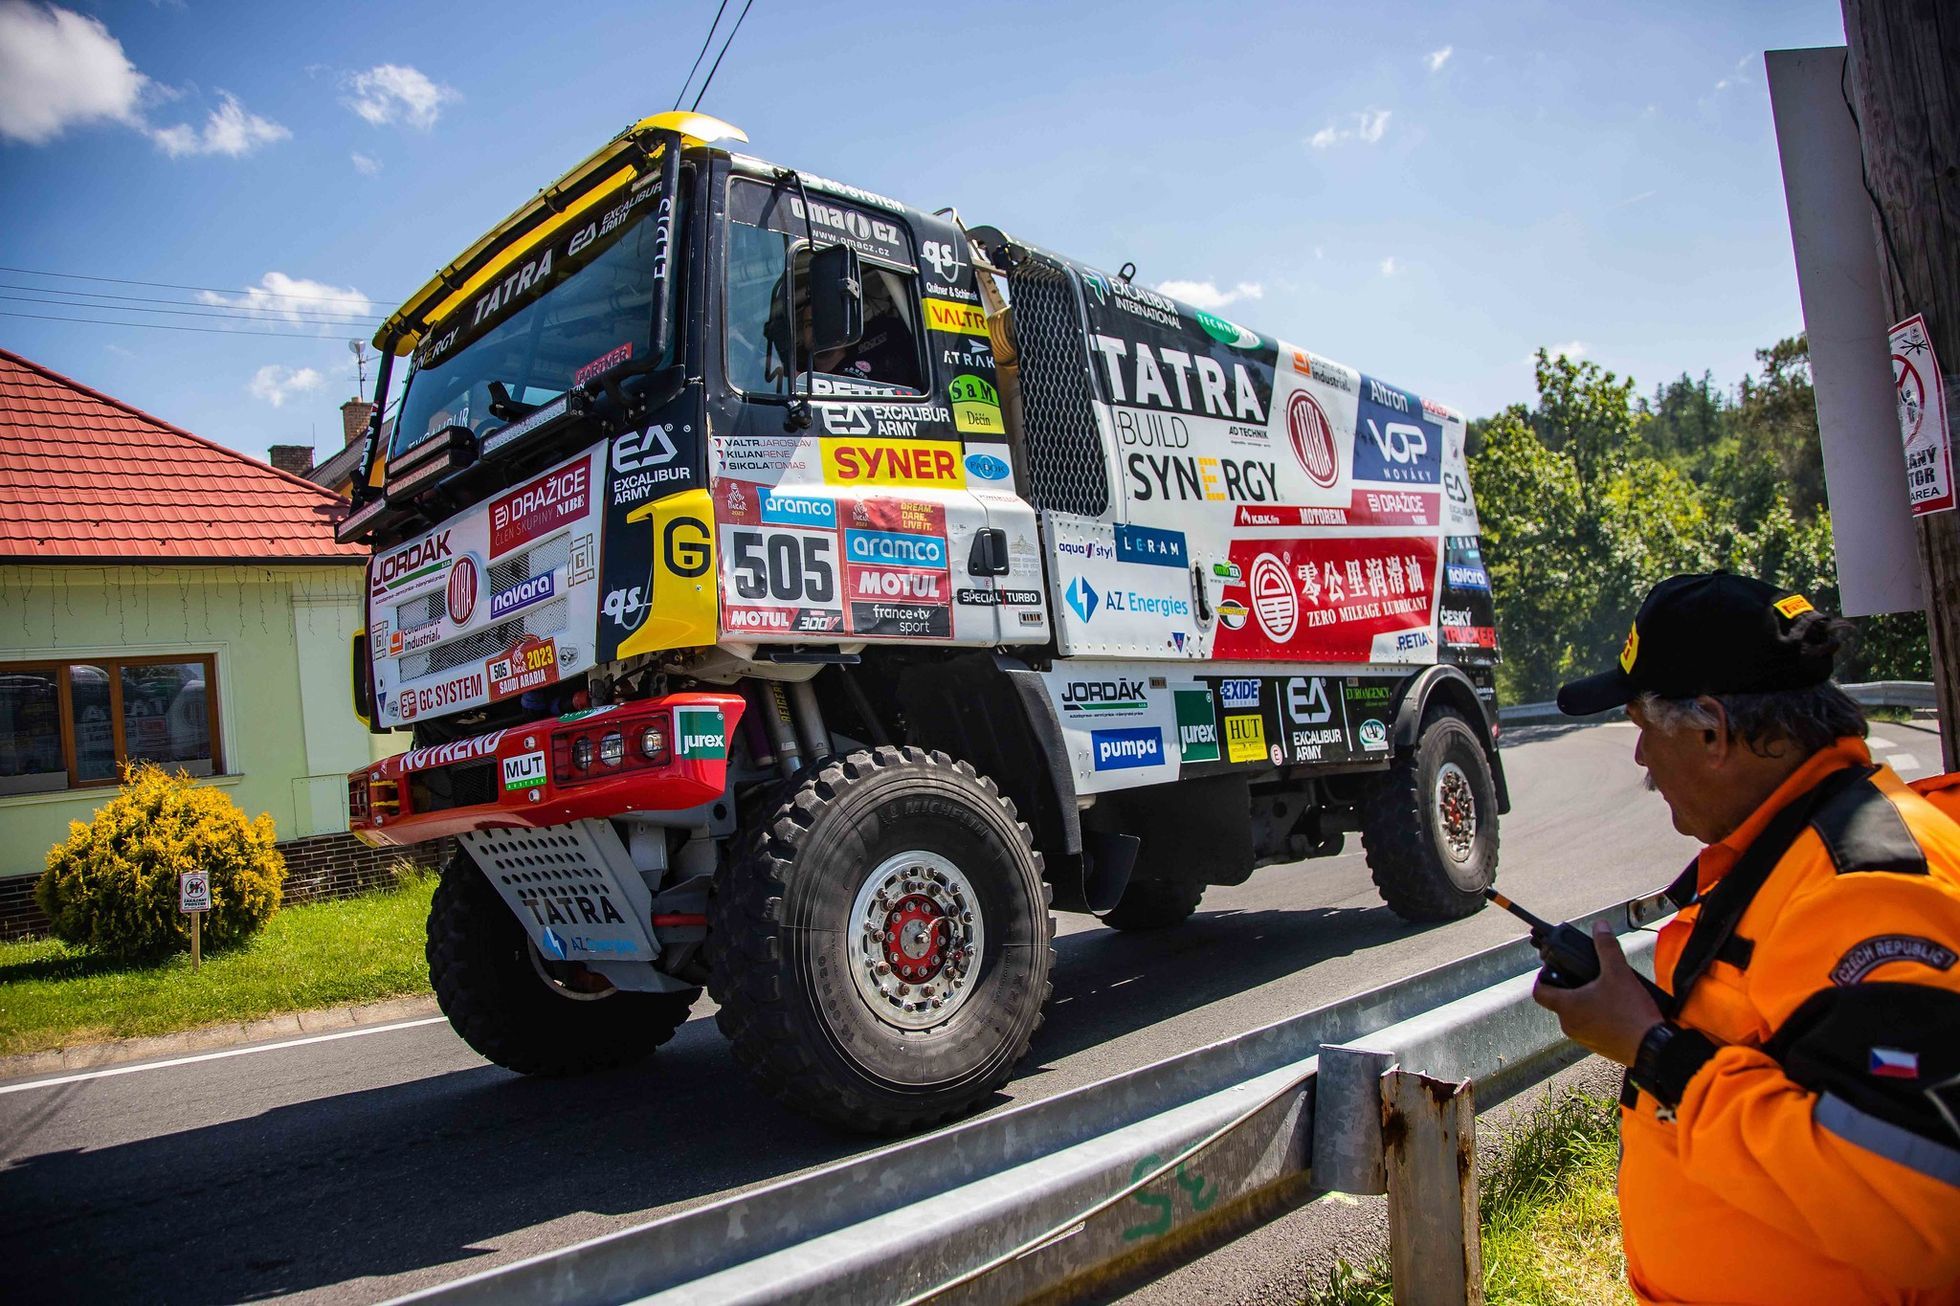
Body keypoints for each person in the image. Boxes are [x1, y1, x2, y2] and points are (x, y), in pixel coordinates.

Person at [1533, 572, 1960, 1305]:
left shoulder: (1866, 889)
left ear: (1712, 730)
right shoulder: (1795, 847)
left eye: (1642, 726)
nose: (1640, 760)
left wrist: (1657, 1052)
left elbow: (1924, 1208)